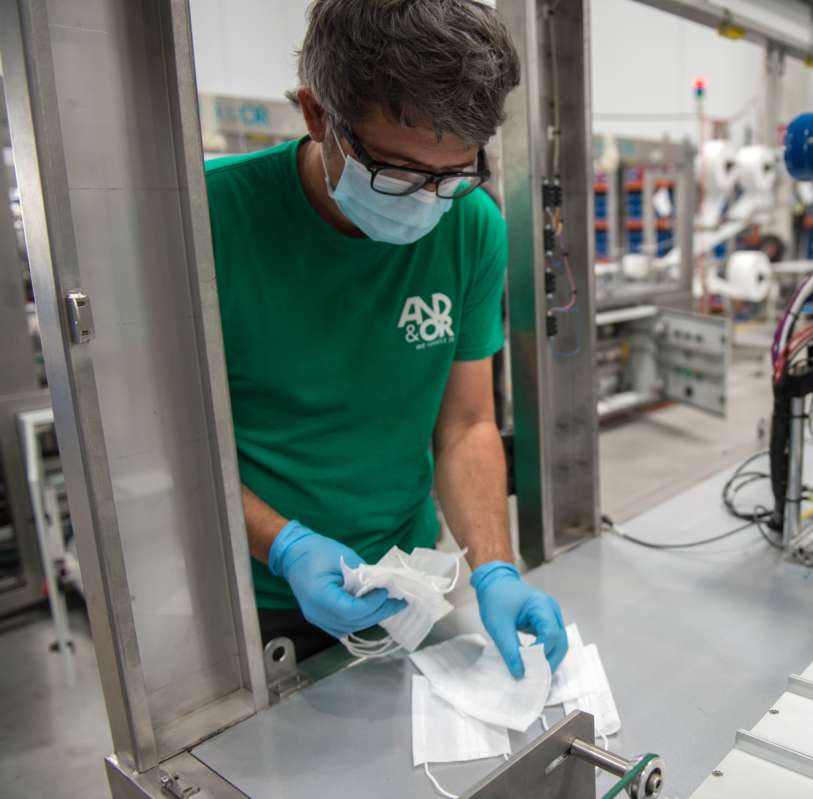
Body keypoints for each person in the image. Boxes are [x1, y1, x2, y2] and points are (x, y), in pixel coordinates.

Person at [204, 0, 567, 678]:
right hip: (246, 598)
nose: (428, 201)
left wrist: (494, 567)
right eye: (398, 173)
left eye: (454, 173)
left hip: (406, 583)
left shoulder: (472, 228)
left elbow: (464, 424)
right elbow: (173, 454)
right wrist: (284, 546)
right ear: (318, 116)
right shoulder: (210, 221)